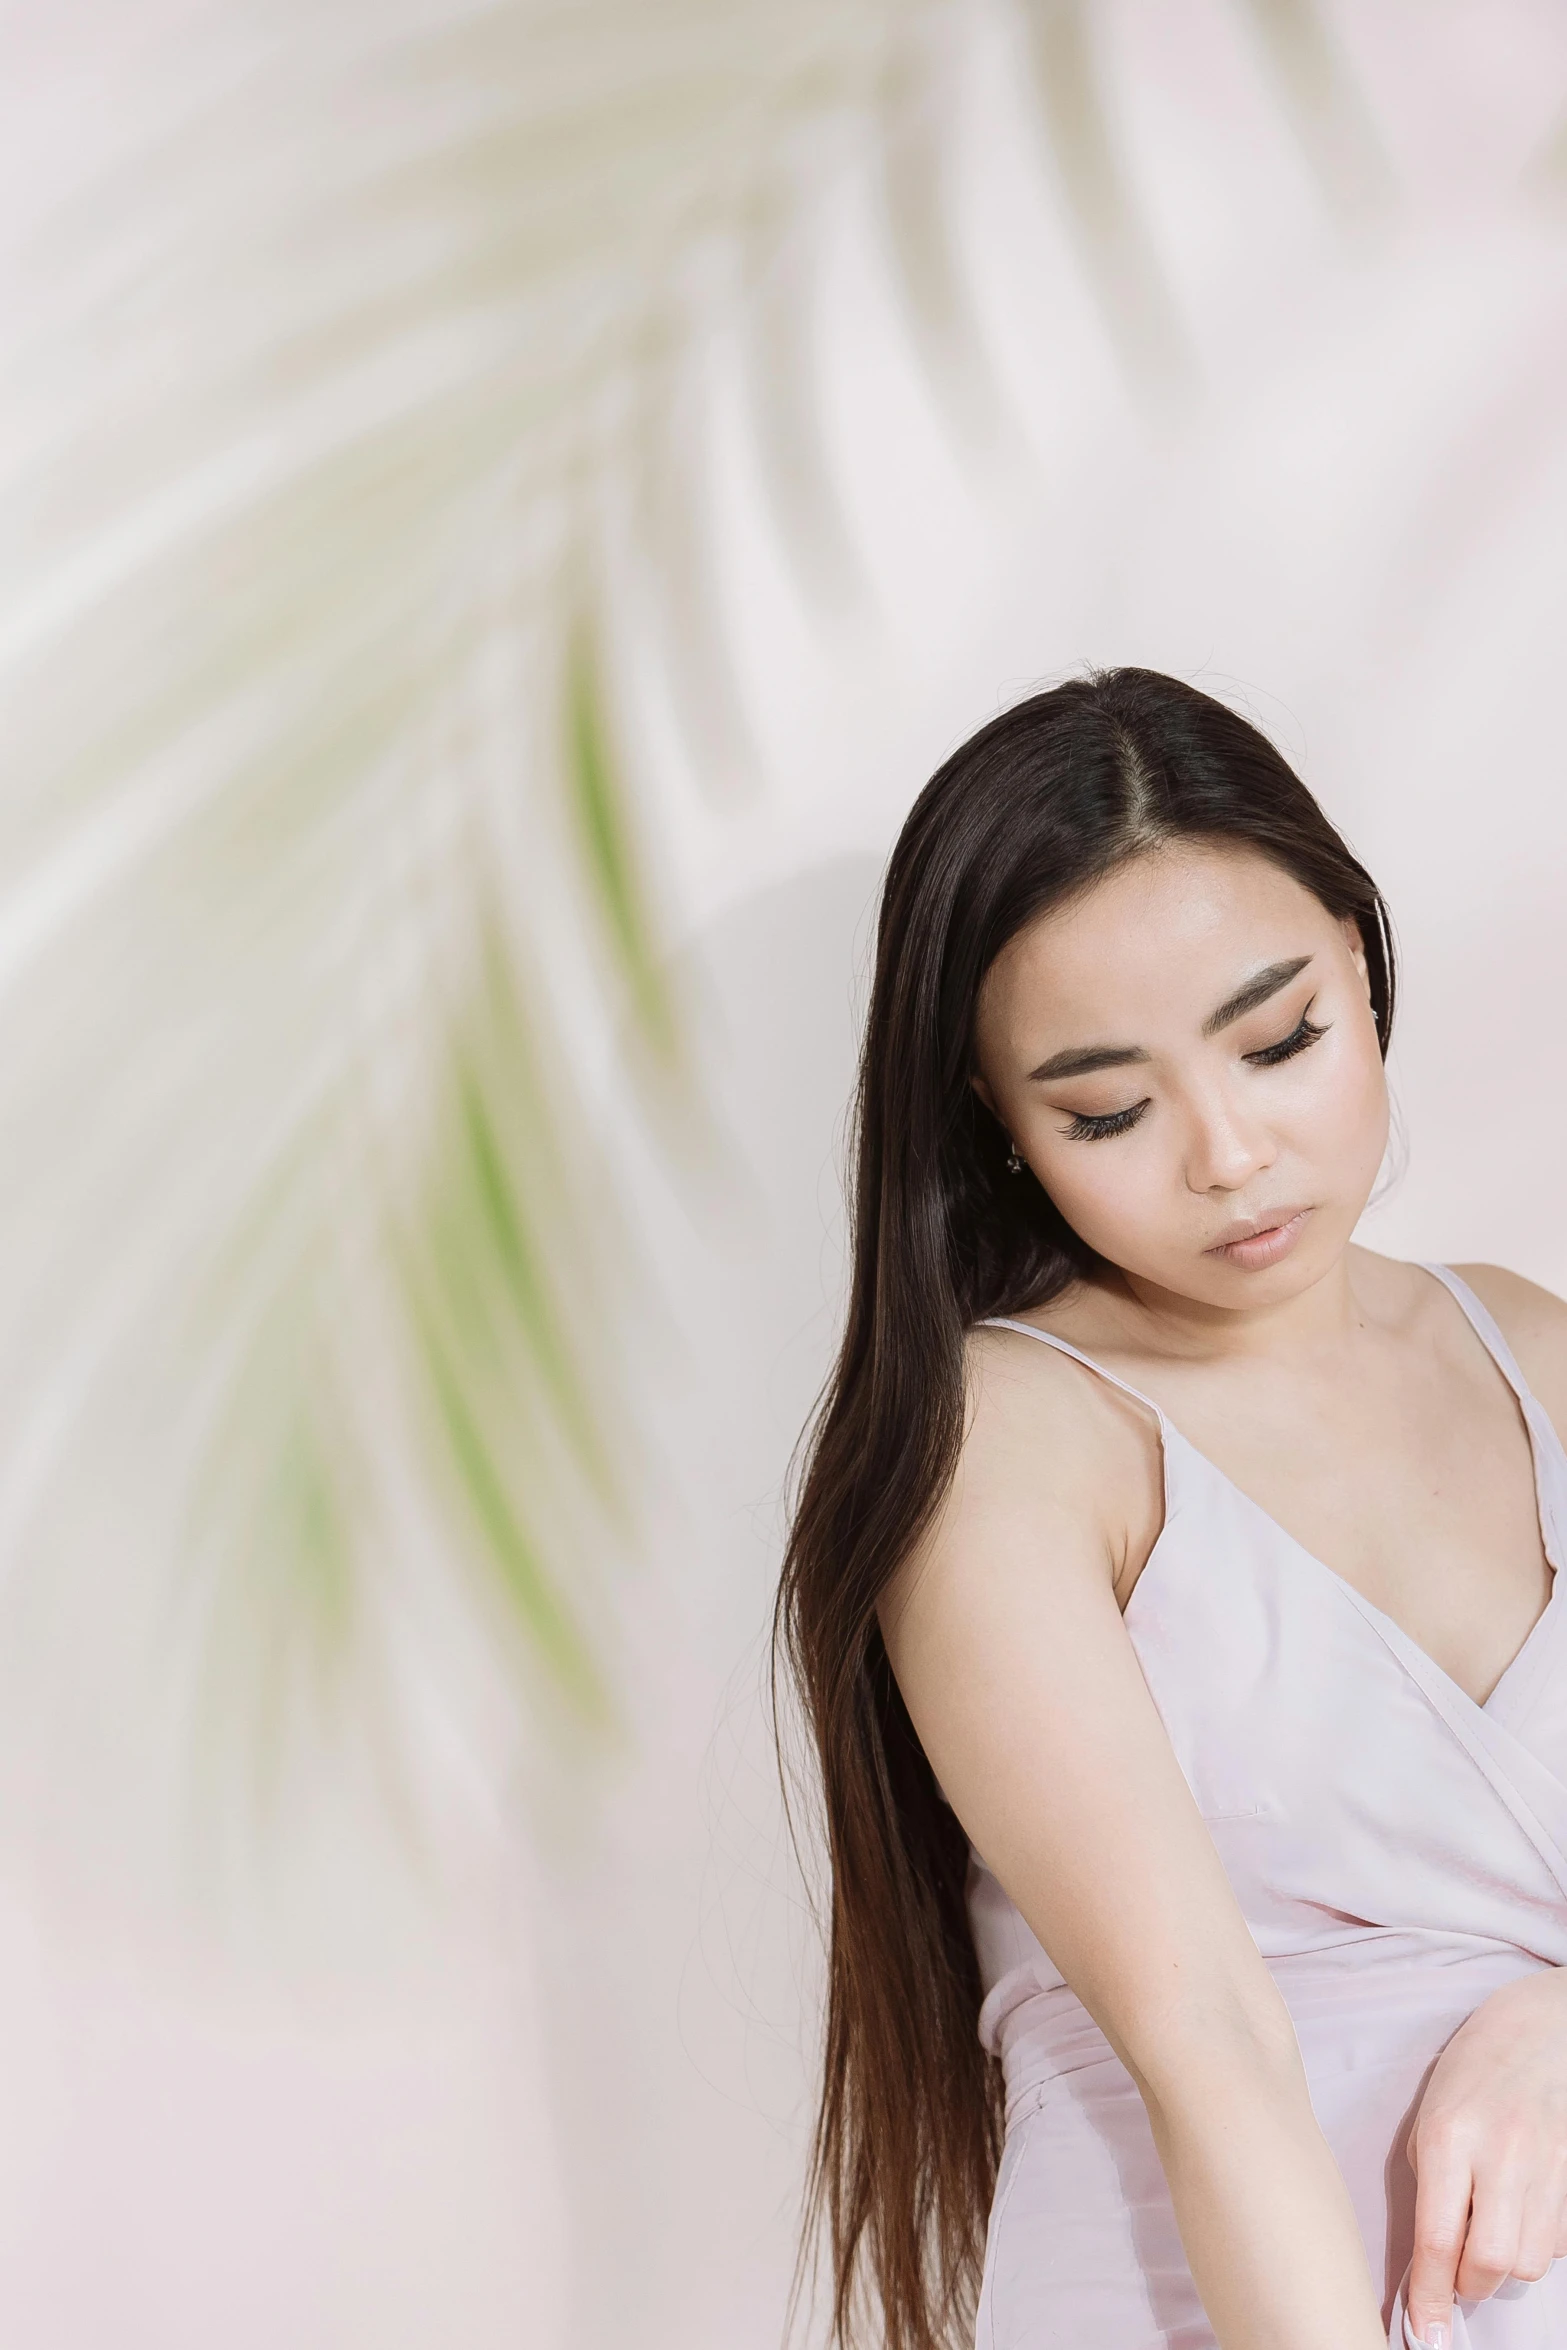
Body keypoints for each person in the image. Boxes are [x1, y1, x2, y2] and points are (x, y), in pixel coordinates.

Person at [772, 668, 1567, 2350]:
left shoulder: (1532, 1344)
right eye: (1106, 1108)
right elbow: (1207, 2039)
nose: (1225, 1151)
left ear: (1358, 957)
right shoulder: (1007, 1438)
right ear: (998, 1125)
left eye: (1278, 1037)